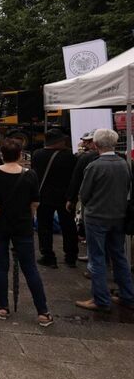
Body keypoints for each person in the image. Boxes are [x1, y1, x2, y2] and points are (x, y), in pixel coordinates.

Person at [0, 139, 53, 327]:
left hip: (1, 223)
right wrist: (29, 216)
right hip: (22, 225)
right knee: (30, 268)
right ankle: (42, 311)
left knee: (1, 266)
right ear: (20, 155)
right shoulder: (30, 175)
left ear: (2, 155)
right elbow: (35, 202)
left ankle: (3, 307)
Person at [75, 129, 134, 311]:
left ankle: (100, 298)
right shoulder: (124, 164)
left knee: (98, 257)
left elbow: (84, 194)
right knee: (119, 256)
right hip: (118, 215)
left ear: (96, 144)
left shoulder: (95, 166)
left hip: (96, 216)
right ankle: (127, 295)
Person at [31, 129, 78, 268]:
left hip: (44, 196)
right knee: (69, 227)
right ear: (59, 142)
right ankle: (71, 256)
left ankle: (48, 256)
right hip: (65, 198)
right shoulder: (70, 156)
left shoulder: (37, 155)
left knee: (44, 227)